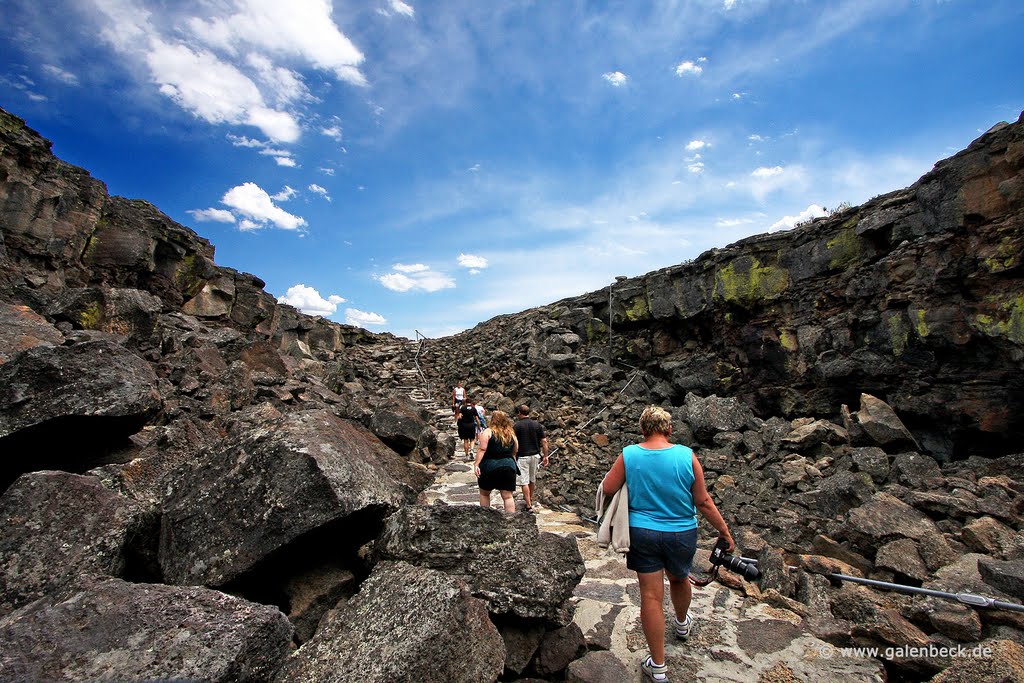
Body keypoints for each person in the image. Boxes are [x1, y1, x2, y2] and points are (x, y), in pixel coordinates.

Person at [601, 406, 734, 683]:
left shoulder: (629, 454)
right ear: (669, 429)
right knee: (679, 578)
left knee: (650, 596)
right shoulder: (687, 456)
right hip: (681, 532)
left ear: (643, 430)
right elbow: (703, 501)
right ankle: (683, 624)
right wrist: (724, 532)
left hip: (642, 533)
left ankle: (658, 667)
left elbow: (609, 488)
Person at [474, 410, 519, 513]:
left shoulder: (488, 432)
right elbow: (515, 449)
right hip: (508, 465)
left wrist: (476, 464)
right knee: (507, 496)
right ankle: (510, 520)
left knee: (485, 494)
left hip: (489, 465)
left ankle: (486, 517)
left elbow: (482, 449)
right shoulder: (511, 433)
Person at [513, 404, 549, 511]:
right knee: (532, 479)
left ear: (519, 413)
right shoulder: (537, 425)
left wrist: (513, 456)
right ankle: (530, 498)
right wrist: (546, 456)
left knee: (524, 481)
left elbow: (513, 443)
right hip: (535, 455)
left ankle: (528, 504)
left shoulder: (517, 426)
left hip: (523, 456)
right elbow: (544, 441)